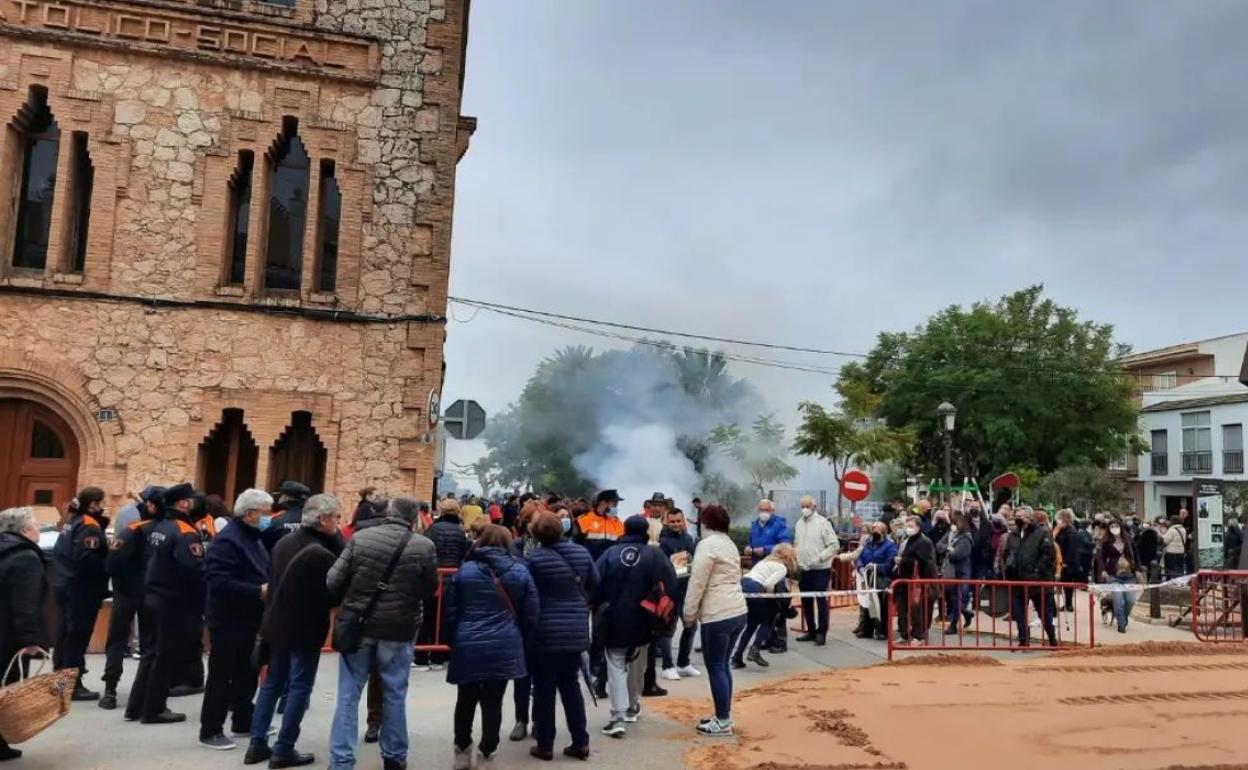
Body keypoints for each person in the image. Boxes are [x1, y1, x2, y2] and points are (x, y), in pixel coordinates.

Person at [326, 496, 439, 770]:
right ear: (414, 519)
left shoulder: (361, 538)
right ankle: (395, 757)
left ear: (390, 512)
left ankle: (341, 761)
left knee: (348, 694)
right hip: (399, 628)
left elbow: (333, 580)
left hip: (360, 624)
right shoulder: (424, 546)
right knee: (395, 693)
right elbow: (429, 589)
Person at [247, 494, 343, 768]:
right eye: (336, 517)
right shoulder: (321, 554)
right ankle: (284, 748)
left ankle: (256, 743)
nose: (339, 522)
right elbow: (331, 595)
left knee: (272, 684)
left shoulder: (283, 543)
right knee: (299, 687)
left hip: (276, 623)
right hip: (305, 628)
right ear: (323, 519)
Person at [445, 525, 538, 769]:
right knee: (493, 701)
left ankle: (462, 751)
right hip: (505, 641)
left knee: (465, 699)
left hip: (468, 640)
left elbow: (451, 613)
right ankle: (488, 753)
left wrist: (452, 641)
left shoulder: (464, 571)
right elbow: (531, 613)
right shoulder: (520, 571)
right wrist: (520, 639)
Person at [198, 489, 272, 750]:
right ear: (250, 514)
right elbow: (218, 581)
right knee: (222, 674)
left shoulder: (253, 537)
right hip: (228, 618)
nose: (268, 518)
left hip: (250, 616)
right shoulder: (229, 540)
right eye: (265, 513)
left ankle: (242, 720)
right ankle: (211, 729)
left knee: (247, 671)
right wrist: (257, 591)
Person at [592, 515, 678, 739]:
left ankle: (617, 717)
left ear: (625, 529)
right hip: (644, 619)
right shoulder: (654, 554)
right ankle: (632, 706)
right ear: (646, 532)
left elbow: (594, 583)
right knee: (637, 663)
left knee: (616, 664)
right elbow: (671, 582)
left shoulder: (609, 554)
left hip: (612, 619)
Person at [128, 482, 205, 724]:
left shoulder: (161, 526)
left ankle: (136, 706)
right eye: (188, 500)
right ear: (183, 503)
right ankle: (154, 709)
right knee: (164, 657)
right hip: (173, 601)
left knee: (150, 654)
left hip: (152, 596)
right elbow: (194, 569)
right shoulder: (185, 531)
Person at [524, 511, 598, 761]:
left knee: (544, 690)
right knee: (571, 687)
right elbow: (594, 583)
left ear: (535, 533)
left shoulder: (533, 559)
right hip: (575, 629)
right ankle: (581, 741)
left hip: (544, 631)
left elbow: (527, 592)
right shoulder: (582, 553)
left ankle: (545, 745)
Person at [681, 504, 747, 738]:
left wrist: (688, 614)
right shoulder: (729, 543)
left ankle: (723, 720)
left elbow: (697, 581)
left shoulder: (706, 545)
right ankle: (723, 714)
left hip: (718, 613)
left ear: (705, 523)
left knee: (716, 666)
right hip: (737, 609)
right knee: (723, 665)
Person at [100, 485, 164, 710]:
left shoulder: (132, 530)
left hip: (126, 591)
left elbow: (112, 563)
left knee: (117, 639)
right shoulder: (163, 531)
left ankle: (110, 690)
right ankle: (144, 692)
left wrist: (122, 584)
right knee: (149, 643)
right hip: (152, 593)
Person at [51, 486, 110, 701]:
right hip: (81, 588)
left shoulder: (72, 520)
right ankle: (72, 685)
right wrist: (109, 564)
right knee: (77, 636)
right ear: (94, 504)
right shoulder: (89, 526)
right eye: (102, 502)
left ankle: (60, 682)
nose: (104, 507)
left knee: (65, 634)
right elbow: (88, 559)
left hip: (65, 583)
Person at [0, 507, 48, 762]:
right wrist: (30, 640)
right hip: (9, 636)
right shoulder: (25, 558)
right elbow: (25, 604)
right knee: (8, 691)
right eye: (37, 525)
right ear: (25, 530)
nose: (39, 529)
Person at [415, 497, 470, 672]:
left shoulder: (433, 529)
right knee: (445, 619)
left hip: (434, 579)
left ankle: (422, 657)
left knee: (427, 619)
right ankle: (440, 657)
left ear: (442, 511)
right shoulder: (461, 532)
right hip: (452, 580)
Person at [733, 543, 797, 669]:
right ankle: (755, 649)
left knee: (751, 624)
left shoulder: (765, 561)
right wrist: (772, 601)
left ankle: (737, 657)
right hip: (756, 588)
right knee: (769, 619)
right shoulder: (781, 567)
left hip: (743, 585)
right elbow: (768, 585)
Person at [657, 508, 700, 680]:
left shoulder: (689, 538)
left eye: (678, 521)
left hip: (687, 590)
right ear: (666, 521)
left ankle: (683, 662)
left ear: (683, 521)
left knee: (691, 626)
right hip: (670, 591)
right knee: (668, 629)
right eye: (672, 521)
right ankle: (667, 666)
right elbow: (663, 567)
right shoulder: (664, 541)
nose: (676, 524)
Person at [792, 497, 839, 646]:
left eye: (807, 505)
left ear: (814, 506)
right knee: (806, 601)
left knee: (820, 600)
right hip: (804, 569)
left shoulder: (823, 523)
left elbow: (834, 545)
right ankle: (811, 630)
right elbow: (797, 543)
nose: (804, 508)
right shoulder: (799, 523)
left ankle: (821, 632)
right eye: (802, 506)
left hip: (820, 569)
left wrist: (819, 558)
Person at [1010, 508, 1058, 647]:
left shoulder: (1042, 532)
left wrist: (1037, 571)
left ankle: (1052, 639)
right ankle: (1023, 640)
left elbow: (1049, 554)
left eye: (1022, 516)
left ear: (1030, 517)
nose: (1019, 518)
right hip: (1018, 580)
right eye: (1016, 516)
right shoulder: (1013, 534)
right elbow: (1008, 552)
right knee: (1019, 614)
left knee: (1044, 614)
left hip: (1038, 581)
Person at [896, 515, 937, 645]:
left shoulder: (924, 542)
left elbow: (925, 561)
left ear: (918, 527)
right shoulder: (907, 540)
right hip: (904, 579)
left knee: (917, 609)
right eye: (907, 526)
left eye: (911, 526)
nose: (908, 529)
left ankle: (919, 636)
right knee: (903, 608)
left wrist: (904, 560)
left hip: (919, 581)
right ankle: (904, 633)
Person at [1095, 517, 1140, 634]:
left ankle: (1123, 619)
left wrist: (1138, 569)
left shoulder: (1128, 540)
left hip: (1129, 575)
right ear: (1109, 529)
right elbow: (1101, 558)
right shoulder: (1106, 543)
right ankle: (1121, 625)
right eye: (1112, 527)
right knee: (1118, 600)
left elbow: (1136, 555)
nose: (1114, 529)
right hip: (1114, 576)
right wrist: (1103, 570)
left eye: (1116, 526)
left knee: (1130, 600)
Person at [853, 521, 896, 640]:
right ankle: (867, 629)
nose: (874, 530)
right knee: (868, 603)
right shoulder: (867, 543)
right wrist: (860, 567)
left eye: (876, 528)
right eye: (873, 528)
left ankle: (883, 630)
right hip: (868, 576)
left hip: (882, 578)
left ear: (883, 531)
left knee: (882, 605)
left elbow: (890, 563)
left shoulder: (890, 546)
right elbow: (859, 556)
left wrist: (876, 567)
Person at [937, 513, 973, 634]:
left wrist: (950, 551)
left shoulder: (966, 538)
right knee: (953, 598)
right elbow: (939, 545)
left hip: (961, 572)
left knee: (960, 596)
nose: (952, 526)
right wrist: (948, 548)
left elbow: (958, 554)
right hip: (949, 571)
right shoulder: (949, 534)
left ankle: (953, 624)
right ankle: (965, 613)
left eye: (955, 523)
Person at [574, 490, 625, 561]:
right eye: (614, 505)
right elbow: (576, 546)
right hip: (591, 564)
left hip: (611, 565)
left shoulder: (617, 521)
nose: (616, 508)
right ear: (603, 503)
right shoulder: (583, 520)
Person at [261, 481, 312, 552]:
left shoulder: (276, 521)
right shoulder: (316, 522)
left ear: (286, 498)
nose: (279, 499)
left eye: (281, 496)